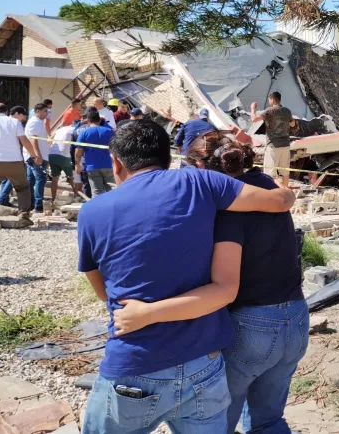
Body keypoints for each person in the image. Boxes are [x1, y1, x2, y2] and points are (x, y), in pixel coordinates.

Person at [77, 121, 296, 434]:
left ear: (116, 162)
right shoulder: (200, 183)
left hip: (136, 362)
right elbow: (278, 202)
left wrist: (147, 310)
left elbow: (103, 292)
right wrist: (285, 190)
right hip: (203, 365)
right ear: (168, 157)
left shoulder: (92, 211)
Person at [0, 103, 38, 224]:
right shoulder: (14, 122)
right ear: (6, 111)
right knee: (22, 188)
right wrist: (33, 155)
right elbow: (24, 140)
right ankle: (24, 215)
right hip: (14, 161)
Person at [250, 92, 294, 187]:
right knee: (285, 172)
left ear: (273, 100)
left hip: (273, 146)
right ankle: (285, 193)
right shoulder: (287, 111)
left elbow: (254, 119)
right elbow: (293, 124)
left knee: (271, 174)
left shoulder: (269, 111)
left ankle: (277, 192)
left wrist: (253, 108)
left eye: (269, 100)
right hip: (286, 145)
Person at [75, 110, 115, 196]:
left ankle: (98, 209)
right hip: (108, 165)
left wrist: (77, 164)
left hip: (92, 167)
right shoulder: (109, 131)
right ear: (100, 120)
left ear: (88, 121)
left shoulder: (84, 132)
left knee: (96, 193)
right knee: (112, 192)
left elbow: (78, 151)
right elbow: (116, 148)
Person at [24, 103, 51, 213]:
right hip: (36, 157)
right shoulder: (35, 122)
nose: (47, 113)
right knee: (41, 178)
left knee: (32, 179)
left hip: (35, 155)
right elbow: (33, 139)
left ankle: (30, 203)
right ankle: (38, 204)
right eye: (45, 111)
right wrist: (37, 155)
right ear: (38, 111)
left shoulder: (38, 122)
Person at [49, 123, 79, 202]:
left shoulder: (59, 129)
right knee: (71, 177)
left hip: (52, 154)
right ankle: (77, 195)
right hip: (64, 155)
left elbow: (50, 139)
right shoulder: (74, 129)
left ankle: (53, 199)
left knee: (54, 179)